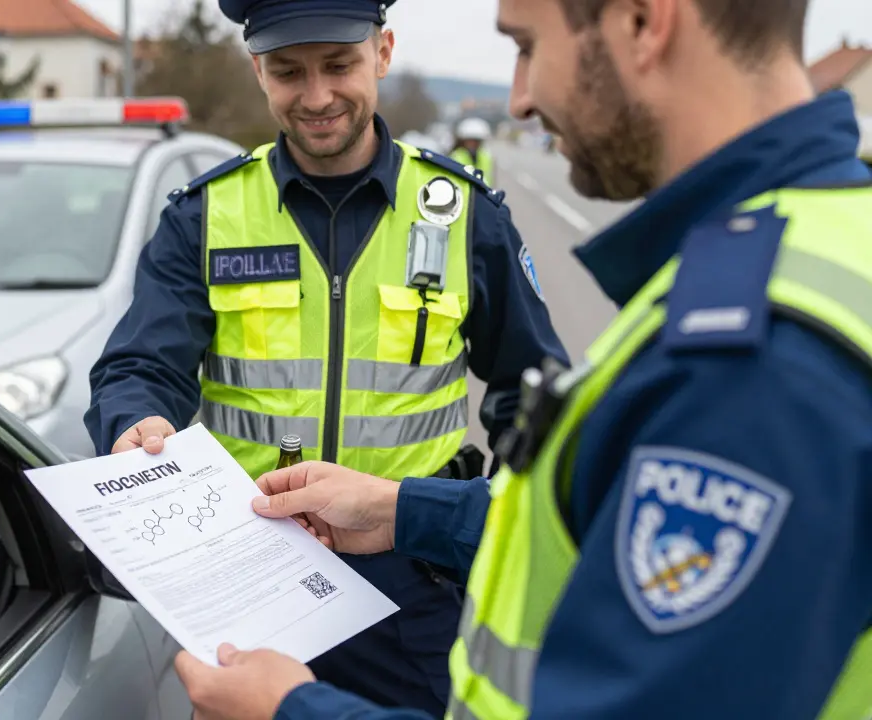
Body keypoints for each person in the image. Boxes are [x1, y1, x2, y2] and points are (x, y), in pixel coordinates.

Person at [170, 0, 872, 717]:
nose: (520, 99)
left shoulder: (750, 356)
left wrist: (291, 711)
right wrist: (405, 510)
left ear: (643, 21)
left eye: (527, 47)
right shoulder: (820, 246)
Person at [83, 0, 569, 714]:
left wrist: (493, 534)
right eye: (288, 72)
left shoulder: (465, 216)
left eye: (338, 65)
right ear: (258, 71)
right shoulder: (206, 215)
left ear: (383, 52)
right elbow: (137, 368)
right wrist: (135, 422)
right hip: (250, 580)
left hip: (413, 584)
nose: (316, 97)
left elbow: (533, 398)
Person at [449, 118, 496, 185]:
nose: (473, 144)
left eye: (476, 141)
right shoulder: (456, 156)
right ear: (463, 141)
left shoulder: (486, 157)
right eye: (470, 140)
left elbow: (490, 180)